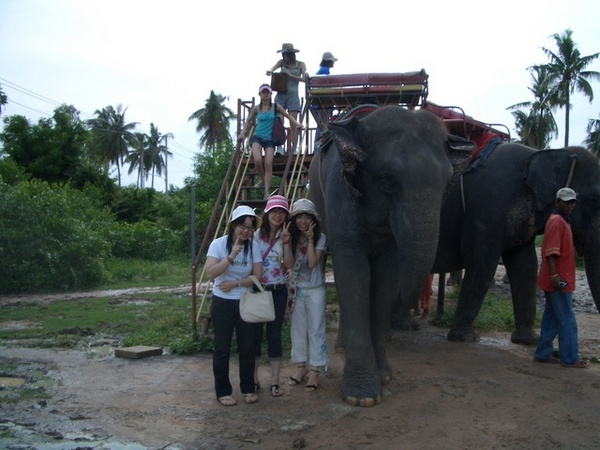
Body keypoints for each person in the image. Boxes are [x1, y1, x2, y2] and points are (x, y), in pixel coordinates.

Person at [204, 205, 264, 406]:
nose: (246, 231)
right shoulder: (218, 245)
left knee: (247, 347)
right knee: (222, 347)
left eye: (249, 227)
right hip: (222, 302)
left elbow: (257, 276)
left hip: (245, 300)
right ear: (233, 226)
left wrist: (235, 283)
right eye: (242, 226)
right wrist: (230, 257)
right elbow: (210, 273)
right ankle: (223, 391)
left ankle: (248, 388)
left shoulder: (253, 246)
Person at [533, 187, 588, 368]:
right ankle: (570, 357)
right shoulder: (557, 221)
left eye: (572, 202)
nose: (569, 205)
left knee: (552, 317)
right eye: (565, 202)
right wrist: (554, 275)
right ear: (557, 202)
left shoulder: (561, 220)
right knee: (566, 318)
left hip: (557, 277)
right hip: (559, 279)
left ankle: (542, 353)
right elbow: (551, 252)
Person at [285, 198, 328, 391]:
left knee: (316, 329)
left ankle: (315, 370)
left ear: (313, 219)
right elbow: (287, 264)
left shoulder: (321, 238)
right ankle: (300, 367)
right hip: (297, 291)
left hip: (315, 291)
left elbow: (312, 263)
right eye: (298, 217)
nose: (302, 221)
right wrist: (286, 244)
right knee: (298, 330)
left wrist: (310, 239)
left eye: (306, 217)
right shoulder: (290, 238)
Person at [253, 195, 294, 397]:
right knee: (254, 335)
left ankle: (275, 381)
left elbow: (289, 264)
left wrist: (286, 243)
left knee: (274, 335)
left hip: (278, 290)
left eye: (282, 211)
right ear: (267, 213)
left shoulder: (286, 236)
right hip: (257, 291)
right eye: (274, 211)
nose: (277, 215)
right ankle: (254, 379)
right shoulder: (253, 236)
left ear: (286, 215)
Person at [238, 84, 303, 199]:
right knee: (257, 160)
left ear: (270, 94)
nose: (265, 94)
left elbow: (288, 116)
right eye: (263, 92)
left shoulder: (275, 107)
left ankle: (266, 192)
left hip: (270, 139)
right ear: (260, 94)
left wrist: (297, 124)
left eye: (267, 92)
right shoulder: (256, 108)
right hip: (257, 137)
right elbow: (248, 121)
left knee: (268, 164)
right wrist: (243, 133)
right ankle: (263, 180)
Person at [266, 43, 307, 154]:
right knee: (279, 121)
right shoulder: (281, 63)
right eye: (284, 55)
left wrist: (290, 75)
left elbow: (305, 79)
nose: (285, 58)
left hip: (293, 95)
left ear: (291, 55)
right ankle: (279, 147)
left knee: (293, 122)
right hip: (281, 94)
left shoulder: (301, 65)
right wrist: (270, 71)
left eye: (287, 55)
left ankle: (294, 147)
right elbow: (273, 68)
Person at [312, 52, 338, 149]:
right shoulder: (325, 71)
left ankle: (318, 147)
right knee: (322, 125)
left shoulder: (322, 70)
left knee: (321, 125)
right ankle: (318, 147)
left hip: (320, 103)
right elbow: (323, 88)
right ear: (329, 61)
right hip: (322, 102)